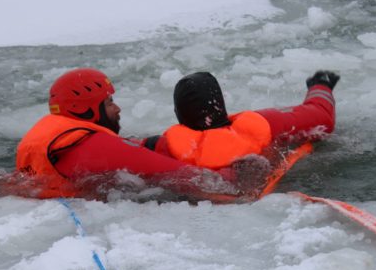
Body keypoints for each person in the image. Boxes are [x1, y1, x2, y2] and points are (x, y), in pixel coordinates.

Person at [13, 68, 247, 199]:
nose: (117, 108)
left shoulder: (55, 136)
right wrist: (239, 169)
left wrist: (156, 144)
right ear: (84, 109)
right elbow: (197, 180)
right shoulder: (95, 147)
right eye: (109, 102)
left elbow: (125, 149)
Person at [143, 70, 339, 194]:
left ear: (179, 115)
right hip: (275, 188)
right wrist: (320, 84)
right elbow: (322, 117)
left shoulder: (163, 147)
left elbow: (123, 149)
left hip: (209, 201)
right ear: (221, 105)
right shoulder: (265, 125)